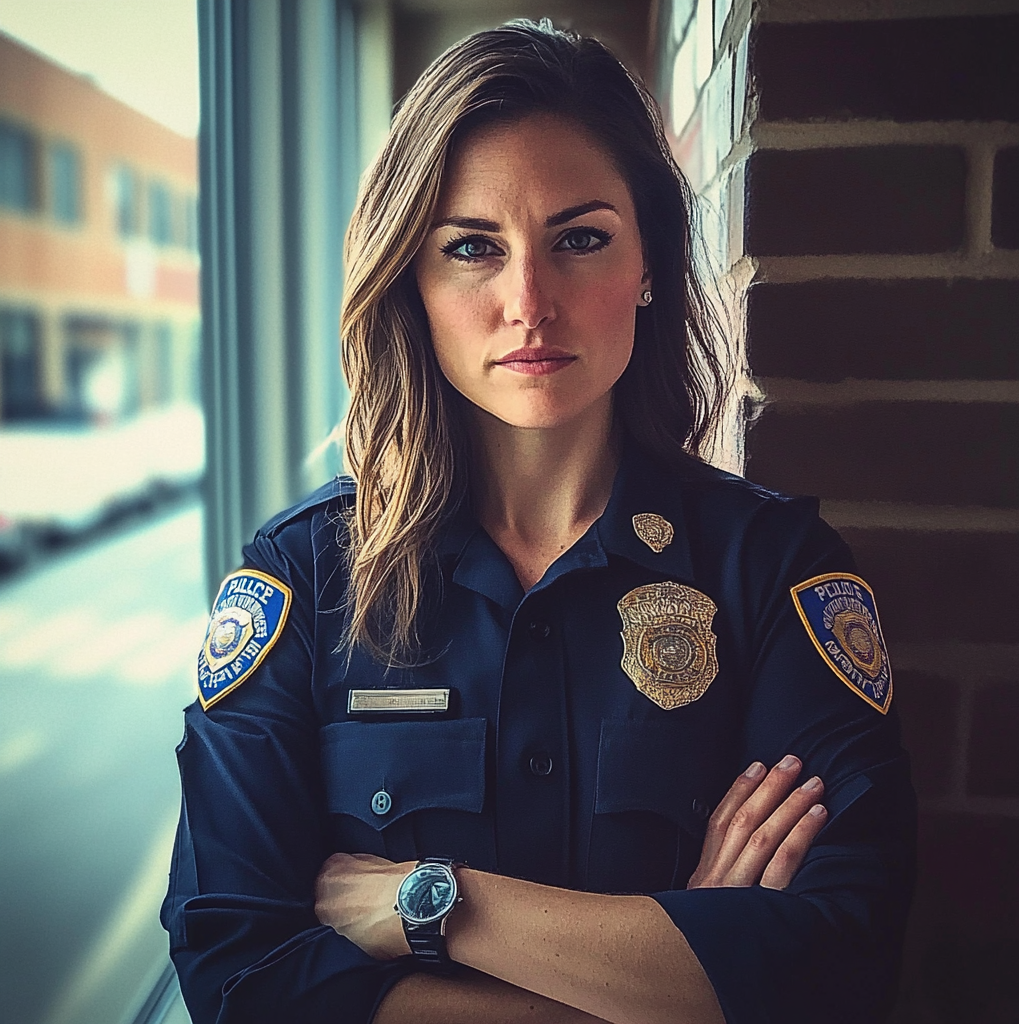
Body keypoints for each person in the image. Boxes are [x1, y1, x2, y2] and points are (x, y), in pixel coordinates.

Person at [162, 19, 915, 1024]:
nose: (528, 301)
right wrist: (676, 979)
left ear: (648, 260)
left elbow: (839, 964)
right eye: (472, 247)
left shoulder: (772, 574)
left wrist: (429, 904)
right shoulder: (300, 583)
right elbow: (240, 973)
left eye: (579, 239)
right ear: (411, 282)